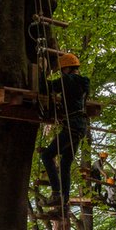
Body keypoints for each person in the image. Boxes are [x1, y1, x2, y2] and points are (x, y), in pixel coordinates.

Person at [39, 52, 90, 211]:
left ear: (66, 69)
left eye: (61, 70)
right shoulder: (84, 82)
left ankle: (56, 194)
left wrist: (42, 69)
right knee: (65, 163)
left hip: (72, 126)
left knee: (47, 155)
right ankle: (64, 202)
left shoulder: (66, 80)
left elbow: (45, 87)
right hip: (80, 127)